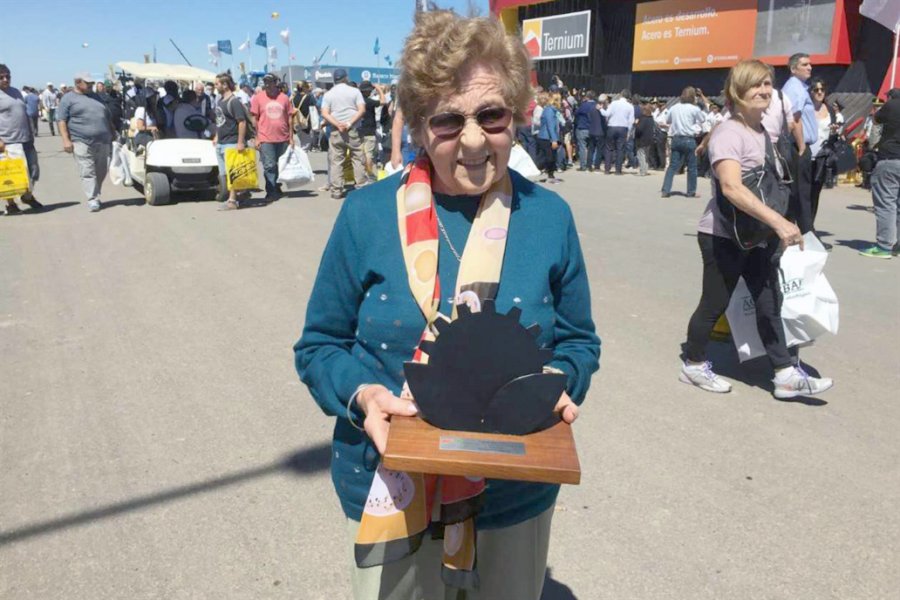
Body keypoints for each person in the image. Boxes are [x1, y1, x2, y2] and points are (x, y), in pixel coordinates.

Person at [294, 11, 599, 599]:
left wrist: (560, 381)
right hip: (391, 480)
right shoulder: (365, 215)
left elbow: (579, 340)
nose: (475, 139)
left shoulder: (549, 218)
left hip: (514, 492)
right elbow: (320, 345)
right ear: (415, 126)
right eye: (448, 120)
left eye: (491, 115)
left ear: (515, 114)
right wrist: (365, 395)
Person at [680, 59, 832, 399]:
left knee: (768, 300)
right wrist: (778, 222)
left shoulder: (762, 130)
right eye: (756, 86)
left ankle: (784, 372)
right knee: (714, 303)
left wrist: (782, 221)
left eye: (767, 84)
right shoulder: (729, 132)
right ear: (738, 92)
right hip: (725, 234)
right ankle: (692, 362)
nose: (765, 91)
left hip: (757, 232)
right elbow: (732, 188)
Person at [57, 72, 114, 212]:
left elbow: (106, 116)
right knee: (87, 170)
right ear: (77, 83)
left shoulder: (96, 97)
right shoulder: (68, 98)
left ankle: (95, 192)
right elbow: (61, 120)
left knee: (101, 170)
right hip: (81, 140)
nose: (90, 85)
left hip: (103, 140)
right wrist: (66, 140)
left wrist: (113, 132)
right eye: (87, 83)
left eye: (91, 83)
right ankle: (92, 198)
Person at [859, 88, 900, 258]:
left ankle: (884, 246)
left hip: (890, 158)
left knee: (886, 204)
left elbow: (876, 120)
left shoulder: (892, 105)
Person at [782, 52, 817, 234]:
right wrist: (802, 146)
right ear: (793, 68)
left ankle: (800, 231)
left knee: (798, 191)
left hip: (798, 146)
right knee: (801, 193)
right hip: (797, 146)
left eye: (810, 64)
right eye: (804, 64)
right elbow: (794, 118)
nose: (809, 67)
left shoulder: (799, 87)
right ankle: (807, 234)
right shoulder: (795, 88)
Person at [0, 65, 43, 214]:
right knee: (10, 174)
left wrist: (31, 133)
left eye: (8, 76)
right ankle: (10, 204)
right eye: (1, 77)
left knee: (33, 170)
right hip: (8, 141)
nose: (5, 79)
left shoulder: (16, 92)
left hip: (26, 138)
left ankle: (27, 196)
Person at [321, 68, 366, 199]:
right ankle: (360, 186)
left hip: (336, 130)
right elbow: (362, 110)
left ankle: (336, 190)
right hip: (352, 129)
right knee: (357, 158)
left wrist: (337, 124)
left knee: (336, 160)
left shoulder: (328, 94)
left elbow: (324, 113)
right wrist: (349, 123)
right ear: (345, 78)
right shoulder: (355, 91)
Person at [250, 73, 294, 202]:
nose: (268, 85)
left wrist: (291, 137)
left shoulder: (284, 98)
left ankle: (277, 186)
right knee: (269, 165)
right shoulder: (258, 98)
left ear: (276, 83)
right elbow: (254, 118)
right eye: (265, 82)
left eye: (270, 82)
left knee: (281, 165)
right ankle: (270, 190)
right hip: (265, 137)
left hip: (283, 137)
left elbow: (290, 118)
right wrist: (257, 137)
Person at [212, 72, 251, 211]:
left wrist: (240, 142)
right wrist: (217, 137)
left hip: (232, 142)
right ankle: (241, 193)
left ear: (225, 84)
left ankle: (232, 201)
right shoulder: (220, 100)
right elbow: (220, 121)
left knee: (232, 173)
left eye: (217, 84)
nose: (215, 86)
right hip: (221, 142)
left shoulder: (234, 101)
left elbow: (242, 122)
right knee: (224, 174)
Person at [807, 78, 840, 236]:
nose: (819, 92)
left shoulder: (830, 110)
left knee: (815, 193)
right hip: (806, 156)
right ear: (811, 92)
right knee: (802, 193)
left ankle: (809, 227)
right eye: (816, 89)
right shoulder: (806, 108)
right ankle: (801, 225)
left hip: (822, 157)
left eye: (822, 90)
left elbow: (833, 138)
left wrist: (834, 132)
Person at [661, 86, 706, 198]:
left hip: (676, 138)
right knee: (692, 167)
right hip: (689, 139)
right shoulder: (694, 109)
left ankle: (665, 190)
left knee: (672, 166)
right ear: (692, 97)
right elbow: (703, 119)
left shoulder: (675, 107)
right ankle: (691, 191)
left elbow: (667, 120)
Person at [358, 80, 387, 182]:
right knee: (369, 153)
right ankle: (369, 173)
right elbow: (383, 101)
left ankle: (362, 173)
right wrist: (379, 89)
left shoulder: (357, 101)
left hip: (359, 130)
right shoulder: (369, 101)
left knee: (361, 153)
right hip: (369, 129)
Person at [601, 89, 634, 174]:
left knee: (609, 148)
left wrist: (600, 109)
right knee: (620, 149)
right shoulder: (630, 106)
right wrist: (629, 132)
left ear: (620, 95)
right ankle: (618, 170)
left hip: (612, 126)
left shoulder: (614, 103)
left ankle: (607, 169)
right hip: (623, 128)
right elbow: (631, 121)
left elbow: (607, 114)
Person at [536, 91, 561, 183]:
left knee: (551, 157)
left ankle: (551, 175)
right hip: (546, 137)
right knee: (549, 158)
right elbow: (550, 126)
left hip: (548, 136)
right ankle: (543, 171)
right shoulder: (549, 110)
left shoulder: (553, 110)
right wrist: (554, 140)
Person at [573, 91, 595, 171]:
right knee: (591, 148)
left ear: (587, 97)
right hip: (593, 129)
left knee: (582, 147)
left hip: (582, 128)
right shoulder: (595, 105)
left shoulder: (584, 105)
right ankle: (590, 164)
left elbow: (576, 113)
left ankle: (583, 165)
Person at [633, 102, 655, 176]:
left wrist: (636, 123)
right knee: (646, 156)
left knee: (641, 155)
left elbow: (639, 129)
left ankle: (642, 171)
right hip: (649, 140)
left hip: (642, 140)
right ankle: (645, 170)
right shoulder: (651, 118)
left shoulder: (643, 118)